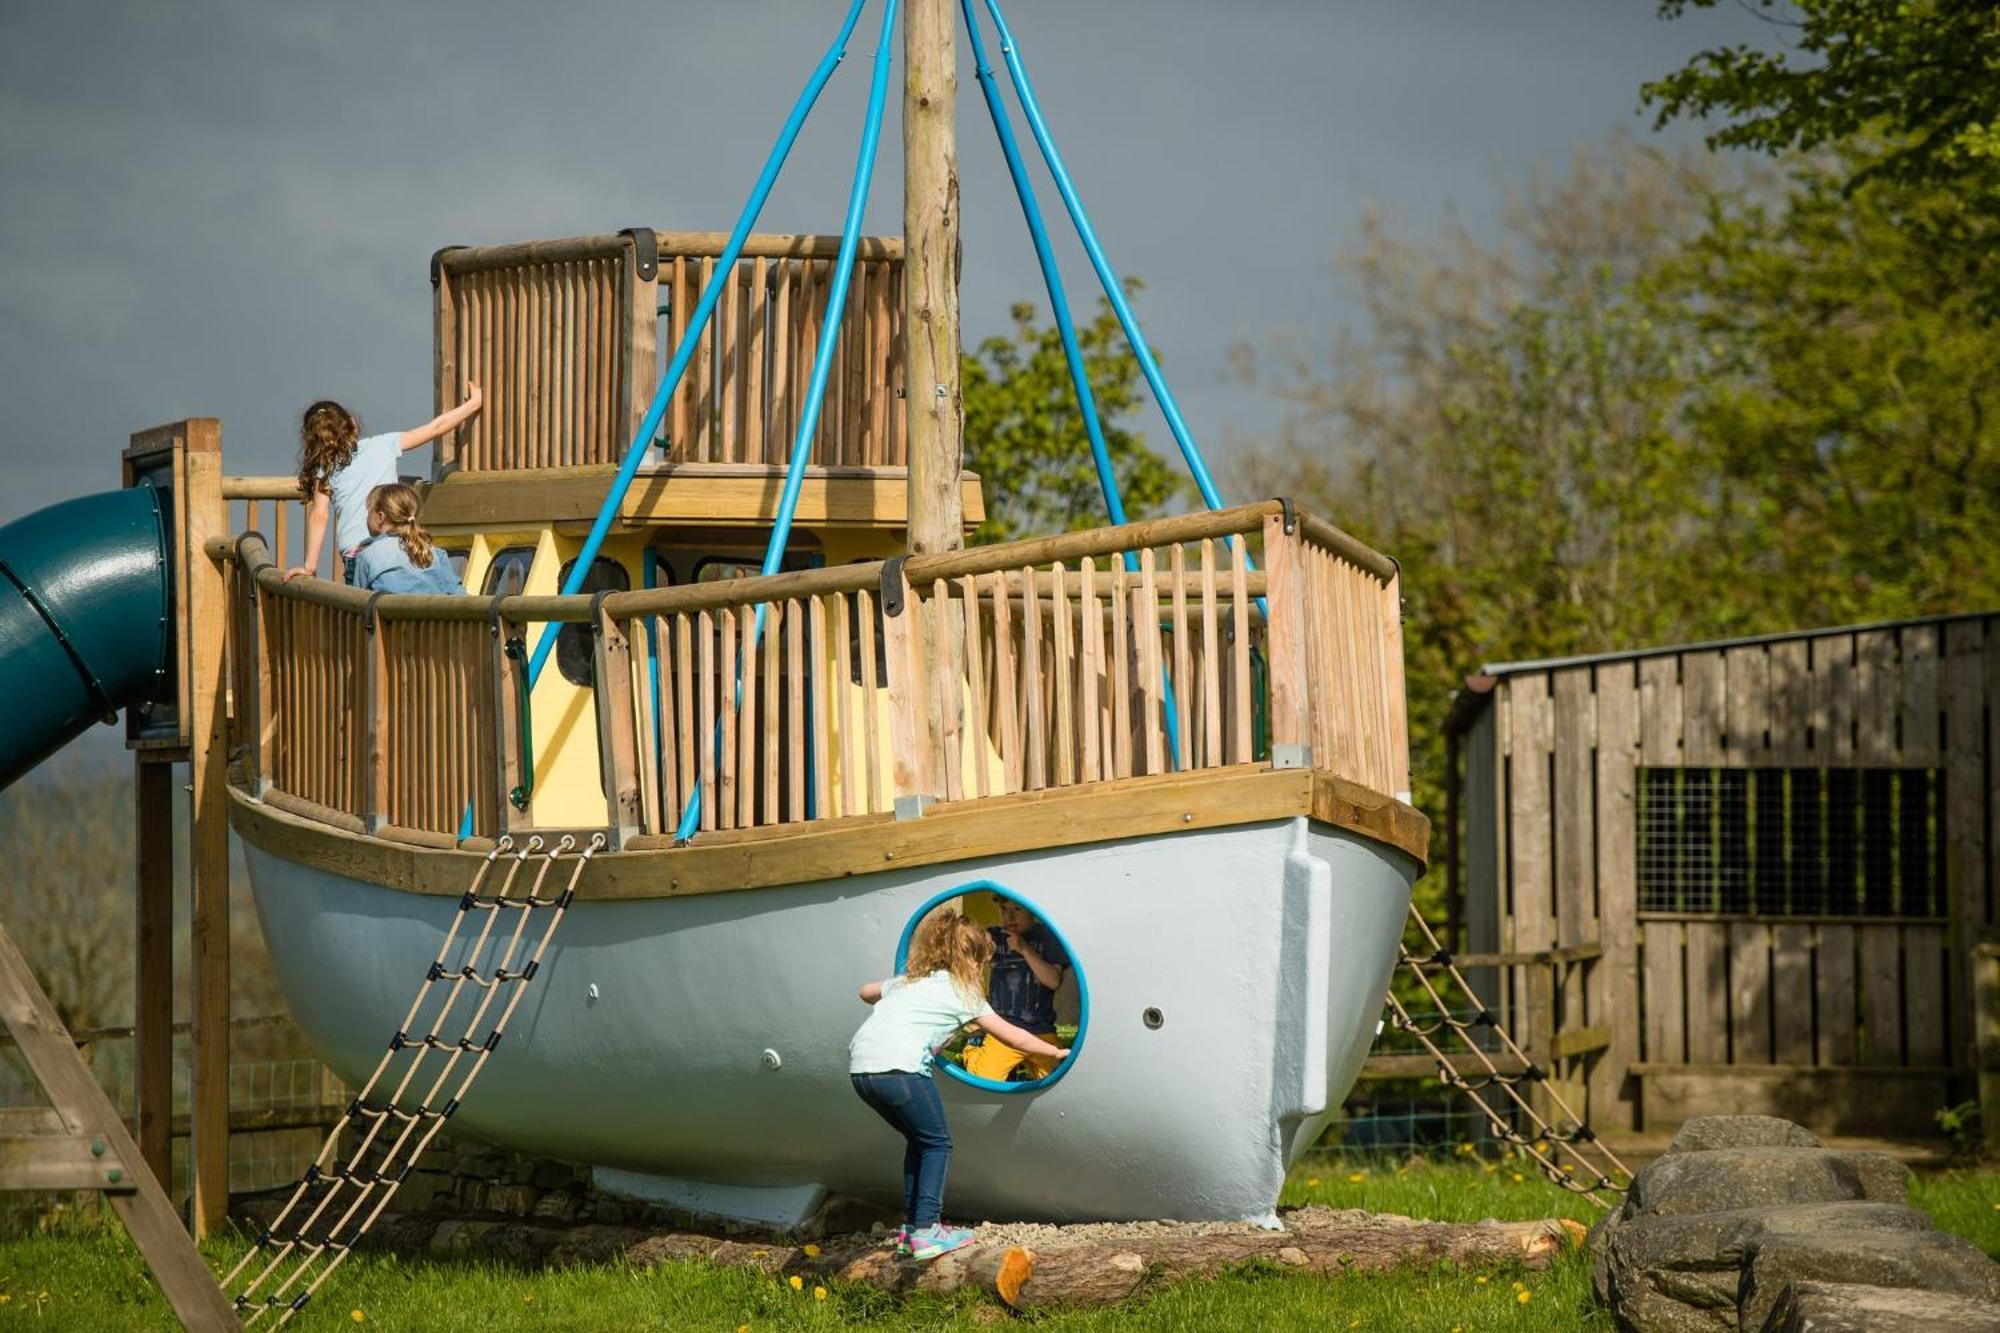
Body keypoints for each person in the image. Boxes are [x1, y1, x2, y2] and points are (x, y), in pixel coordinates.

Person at [850, 908, 1070, 1261]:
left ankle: (912, 1229)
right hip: (900, 1071)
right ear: (971, 960)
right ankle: (926, 1231)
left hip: (862, 1071)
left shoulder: (910, 982)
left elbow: (865, 992)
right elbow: (1015, 1037)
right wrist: (1056, 1051)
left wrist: (902, 988)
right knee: (938, 1144)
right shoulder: (961, 994)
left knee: (918, 1140)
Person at [286, 384, 482, 584]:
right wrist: (473, 405)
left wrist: (310, 566)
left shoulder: (326, 468)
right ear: (351, 424)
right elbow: (435, 428)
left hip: (357, 555)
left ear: (311, 441)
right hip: (395, 549)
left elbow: (320, 514)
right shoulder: (385, 445)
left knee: (363, 612)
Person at [963, 893, 1071, 1084]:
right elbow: (970, 954)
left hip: (1040, 1031)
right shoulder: (995, 937)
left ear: (1033, 911)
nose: (1009, 917)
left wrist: (1024, 949)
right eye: (1004, 910)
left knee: (1059, 1081)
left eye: (1017, 910)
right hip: (1003, 1029)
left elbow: (1053, 981)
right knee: (982, 1080)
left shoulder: (1048, 937)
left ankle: (1020, 1069)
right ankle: (974, 1044)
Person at [351, 484, 465, 595]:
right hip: (433, 613)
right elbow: (458, 594)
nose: (366, 517)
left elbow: (357, 603)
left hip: (389, 614)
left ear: (381, 517)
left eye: (369, 511)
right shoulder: (435, 554)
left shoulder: (367, 556)